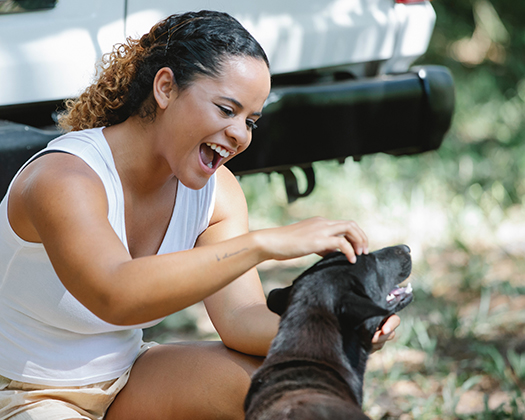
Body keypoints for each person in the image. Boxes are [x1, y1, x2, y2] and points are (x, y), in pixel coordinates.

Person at [0, 10, 400, 420]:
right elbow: (116, 295)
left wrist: (343, 329)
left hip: (127, 379)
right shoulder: (65, 177)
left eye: (251, 121)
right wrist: (264, 243)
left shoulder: (217, 193)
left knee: (284, 391)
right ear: (166, 88)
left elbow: (241, 319)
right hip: (23, 392)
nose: (240, 135)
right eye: (227, 110)